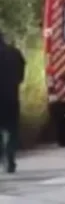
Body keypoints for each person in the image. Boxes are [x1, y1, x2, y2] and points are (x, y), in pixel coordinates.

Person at [0, 30, 25, 174]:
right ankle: (9, 157)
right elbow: (21, 76)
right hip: (11, 97)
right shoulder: (14, 53)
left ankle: (3, 156)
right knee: (11, 129)